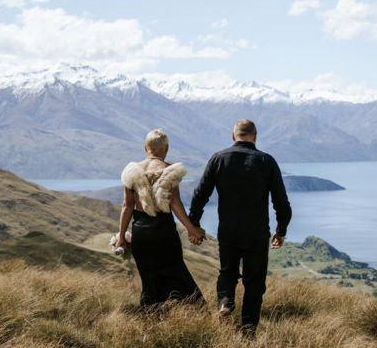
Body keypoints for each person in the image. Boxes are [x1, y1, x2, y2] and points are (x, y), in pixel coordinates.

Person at [188, 118, 291, 336]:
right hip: (256, 232)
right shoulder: (267, 161)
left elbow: (199, 196)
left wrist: (194, 224)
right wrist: (281, 230)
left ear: (233, 136)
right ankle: (248, 332)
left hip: (228, 230)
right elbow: (281, 201)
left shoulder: (218, 159)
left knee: (227, 273)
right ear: (255, 136)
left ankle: (225, 303)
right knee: (254, 281)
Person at [115, 129, 206, 309]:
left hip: (141, 234)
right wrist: (191, 229)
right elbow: (174, 202)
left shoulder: (131, 172)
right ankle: (199, 313)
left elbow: (127, 207)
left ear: (145, 148)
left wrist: (121, 237)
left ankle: (151, 322)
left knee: (149, 283)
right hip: (164, 233)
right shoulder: (169, 171)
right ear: (166, 149)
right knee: (179, 275)